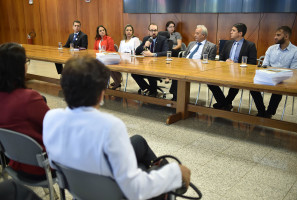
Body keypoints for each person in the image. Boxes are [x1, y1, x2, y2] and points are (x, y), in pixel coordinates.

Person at [43, 56, 191, 200]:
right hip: (110, 192)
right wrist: (175, 174)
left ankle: (159, 168)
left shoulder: (50, 118)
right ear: (101, 94)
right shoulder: (110, 127)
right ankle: (166, 175)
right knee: (165, 172)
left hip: (79, 189)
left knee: (138, 141)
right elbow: (136, 189)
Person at [0, 43, 50, 179]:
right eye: (26, 61)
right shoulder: (29, 98)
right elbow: (53, 128)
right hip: (40, 167)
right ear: (18, 67)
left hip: (14, 161)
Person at [250, 26, 297, 118]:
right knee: (252, 86)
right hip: (268, 76)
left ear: (286, 36)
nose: (275, 37)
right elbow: (265, 65)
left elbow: (294, 71)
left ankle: (269, 112)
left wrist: (279, 75)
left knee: (278, 89)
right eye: (275, 35)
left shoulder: (296, 51)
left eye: (278, 35)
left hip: (285, 79)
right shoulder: (271, 48)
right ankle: (261, 110)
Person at [208, 23, 257, 110]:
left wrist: (236, 64)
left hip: (241, 73)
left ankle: (224, 103)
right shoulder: (228, 43)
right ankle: (225, 103)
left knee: (235, 85)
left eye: (233, 30)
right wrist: (225, 61)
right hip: (225, 71)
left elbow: (252, 63)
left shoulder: (250, 45)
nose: (230, 32)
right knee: (209, 81)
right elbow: (221, 58)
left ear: (240, 33)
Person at [170, 25, 217, 101]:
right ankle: (176, 95)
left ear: (203, 35)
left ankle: (177, 98)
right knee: (175, 71)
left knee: (179, 72)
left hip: (198, 69)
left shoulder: (211, 46)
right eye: (195, 33)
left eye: (197, 33)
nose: (194, 35)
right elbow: (185, 56)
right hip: (185, 65)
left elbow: (211, 62)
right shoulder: (191, 44)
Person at [132, 23, 169, 97]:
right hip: (147, 64)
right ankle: (147, 88)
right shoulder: (146, 39)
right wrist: (145, 45)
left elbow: (166, 52)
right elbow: (137, 51)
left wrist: (153, 54)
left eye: (155, 30)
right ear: (148, 31)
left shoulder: (163, 39)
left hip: (159, 65)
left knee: (150, 72)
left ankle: (153, 92)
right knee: (134, 73)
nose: (153, 32)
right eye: (151, 30)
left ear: (157, 31)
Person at [94, 25, 122, 90]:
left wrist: (103, 55)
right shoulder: (97, 40)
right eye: (100, 31)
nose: (102, 31)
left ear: (105, 31)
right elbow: (94, 50)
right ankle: (99, 83)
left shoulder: (109, 38)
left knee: (108, 67)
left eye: (103, 30)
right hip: (100, 58)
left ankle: (117, 82)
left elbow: (111, 49)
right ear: (98, 33)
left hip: (109, 57)